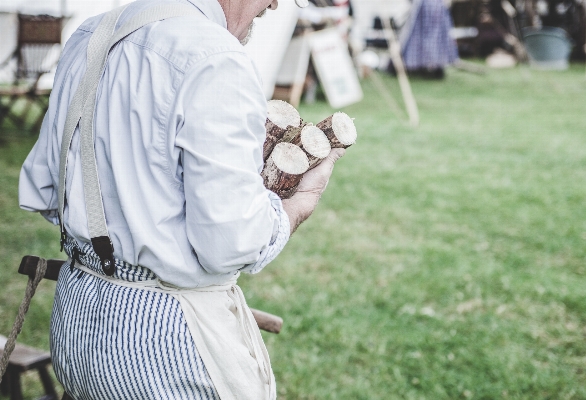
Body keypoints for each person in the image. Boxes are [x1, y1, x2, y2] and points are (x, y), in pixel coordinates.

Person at [18, 0, 344, 398]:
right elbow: (230, 246)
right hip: (160, 343)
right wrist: (301, 202)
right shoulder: (216, 57)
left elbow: (47, 187)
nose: (275, 3)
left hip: (76, 317)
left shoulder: (92, 32)